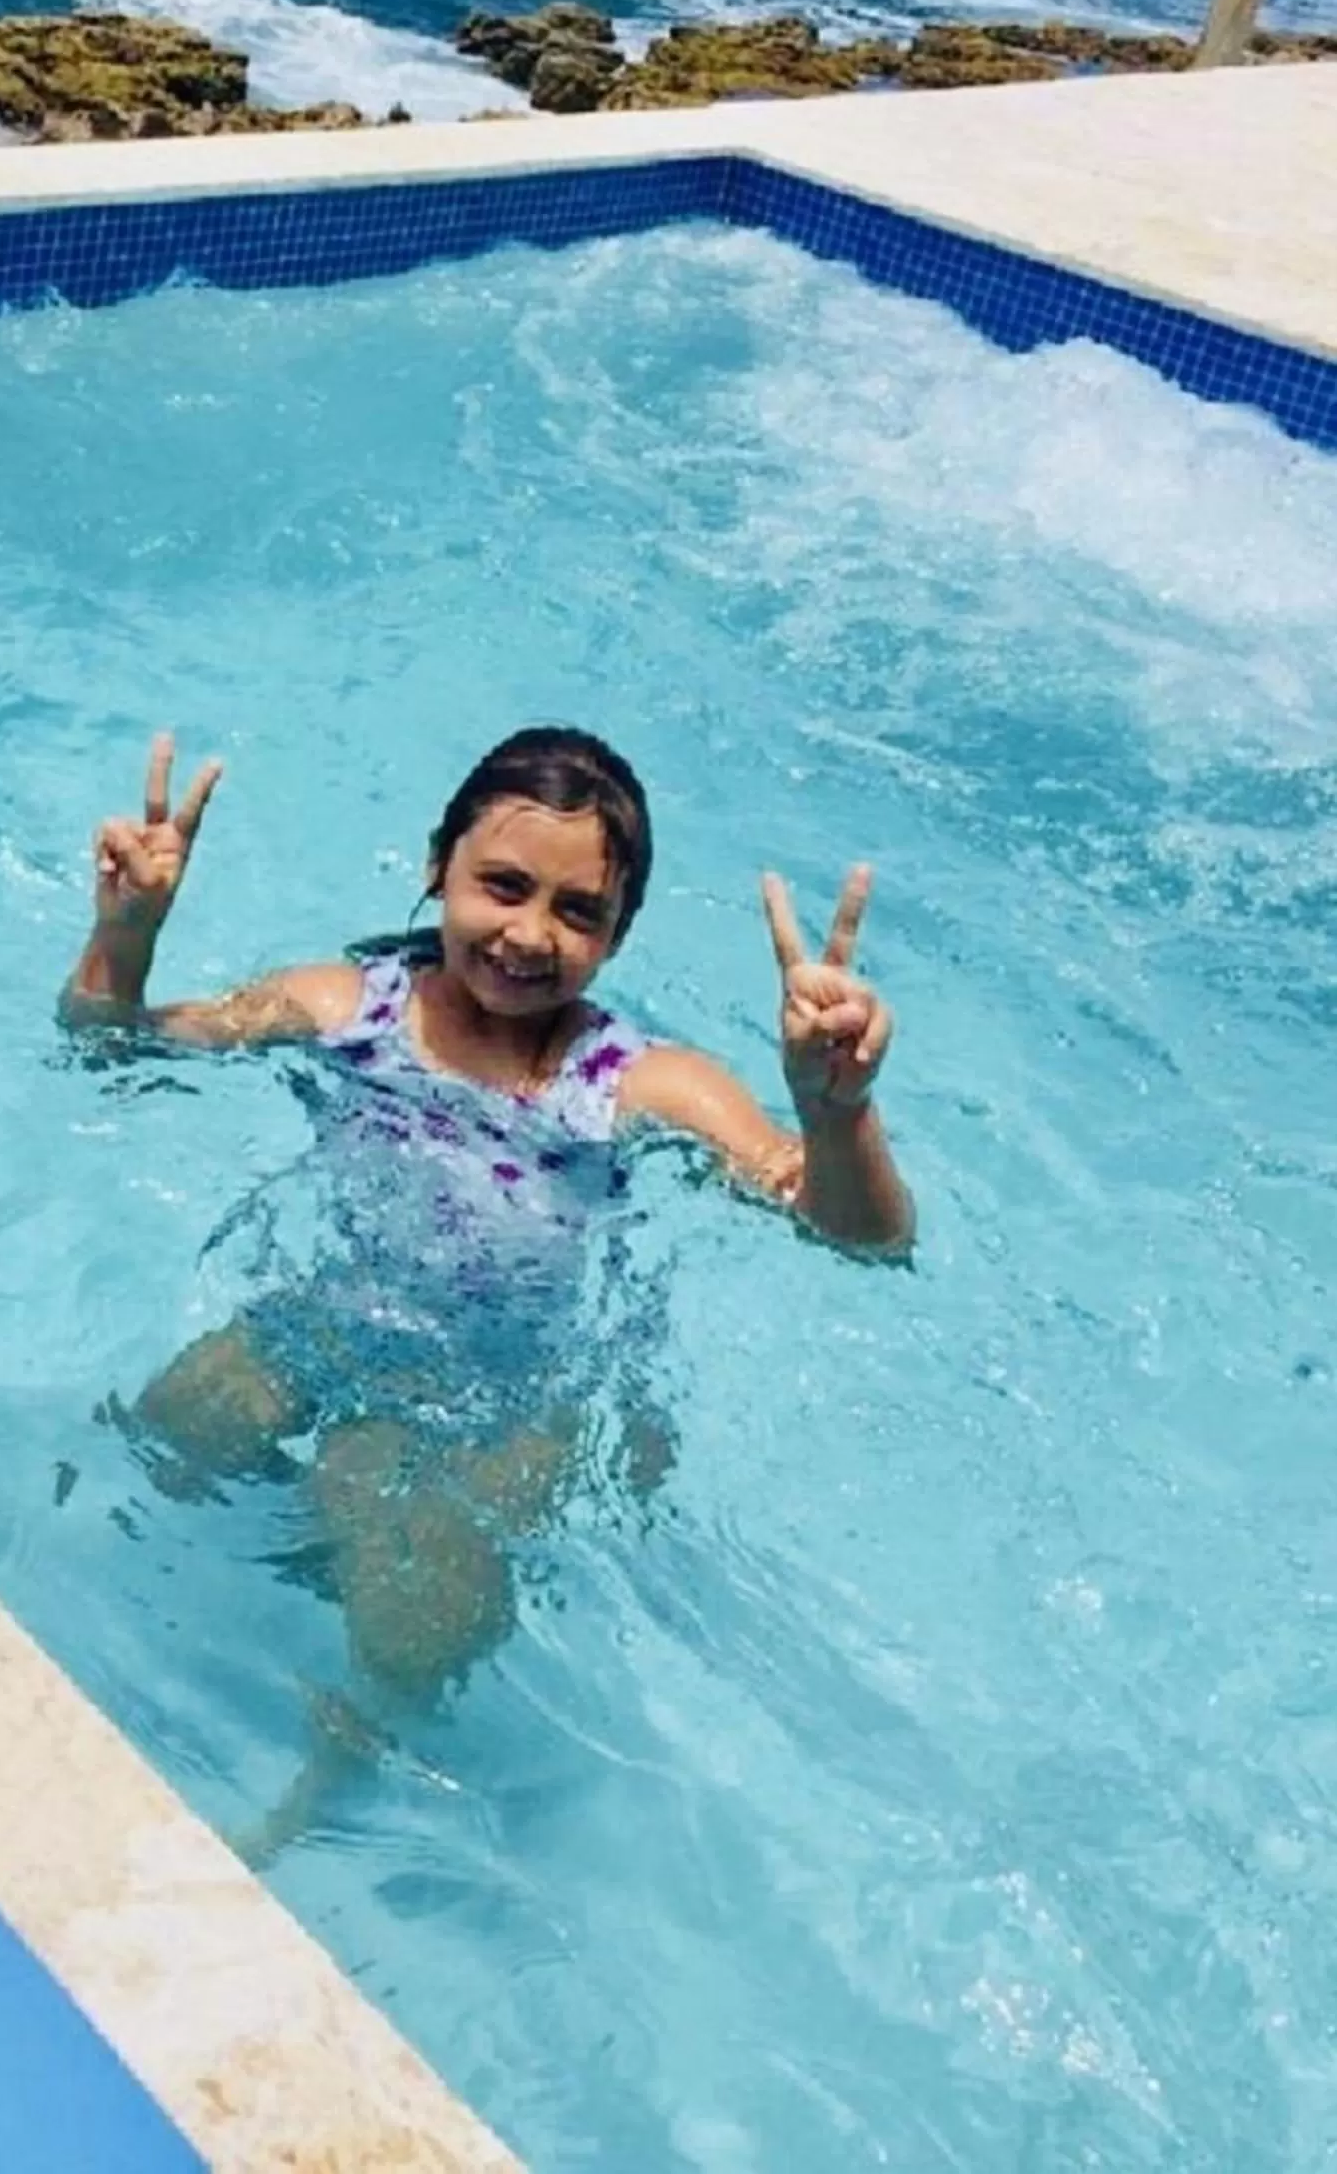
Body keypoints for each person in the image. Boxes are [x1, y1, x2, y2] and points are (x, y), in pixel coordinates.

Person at [60, 725, 911, 1834]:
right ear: (436, 868)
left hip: (508, 1399)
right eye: (501, 886)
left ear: (617, 936)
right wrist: (125, 935)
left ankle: (308, 1803)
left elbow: (859, 1239)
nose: (528, 935)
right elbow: (109, 1052)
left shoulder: (638, 1085)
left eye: (577, 913)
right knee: (153, 1442)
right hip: (332, 1321)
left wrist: (834, 1109)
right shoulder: (342, 1009)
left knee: (418, 1636)